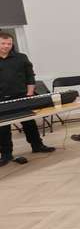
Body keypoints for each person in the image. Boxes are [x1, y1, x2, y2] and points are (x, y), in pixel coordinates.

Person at [0, 32, 54, 167]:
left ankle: (37, 145)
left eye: (9, 44)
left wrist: (30, 93)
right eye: (3, 43)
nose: (6, 46)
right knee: (3, 128)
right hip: (1, 100)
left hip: (21, 96)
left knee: (29, 123)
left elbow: (30, 76)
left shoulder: (21, 58)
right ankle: (6, 154)